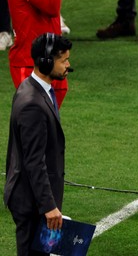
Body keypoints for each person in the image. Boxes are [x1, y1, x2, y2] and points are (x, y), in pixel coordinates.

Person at [4, 33, 72, 256]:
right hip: (31, 200)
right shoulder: (32, 103)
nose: (68, 65)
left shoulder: (32, 88)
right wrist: (49, 207)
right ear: (46, 61)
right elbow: (34, 161)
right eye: (63, 60)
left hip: (32, 195)